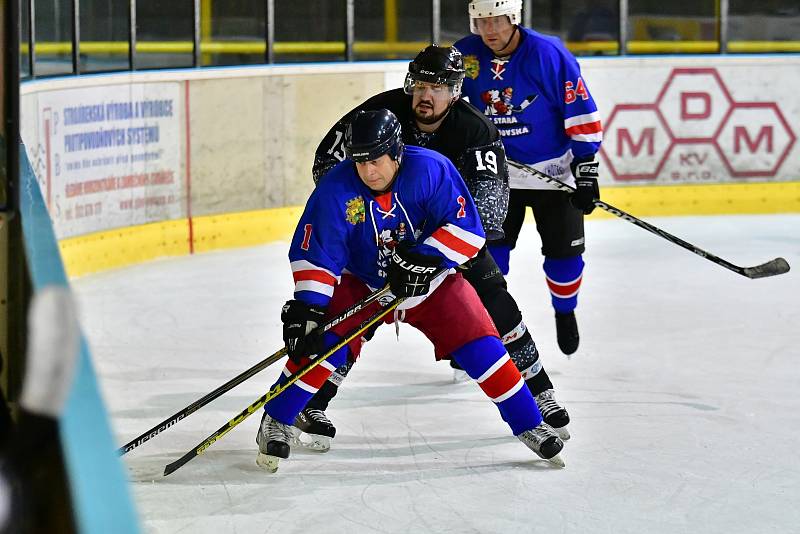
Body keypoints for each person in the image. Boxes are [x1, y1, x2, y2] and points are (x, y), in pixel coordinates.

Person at [255, 109, 565, 472]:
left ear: (396, 152)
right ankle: (275, 420)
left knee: (482, 345)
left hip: (430, 285)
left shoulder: (431, 170)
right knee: (320, 344)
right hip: (363, 281)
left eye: (375, 160)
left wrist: (424, 258)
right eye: (359, 162)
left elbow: (467, 229)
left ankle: (530, 423)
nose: (368, 171)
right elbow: (319, 252)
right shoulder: (336, 188)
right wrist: (308, 309)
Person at [455, 0, 604, 356]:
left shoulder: (548, 53)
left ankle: (565, 314)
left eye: (496, 21)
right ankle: (481, 332)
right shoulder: (464, 54)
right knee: (489, 257)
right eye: (481, 22)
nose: (489, 30)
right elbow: (451, 111)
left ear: (514, 17)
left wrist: (586, 169)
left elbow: (579, 109)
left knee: (563, 255)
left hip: (553, 175)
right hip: (494, 175)